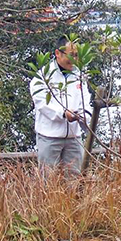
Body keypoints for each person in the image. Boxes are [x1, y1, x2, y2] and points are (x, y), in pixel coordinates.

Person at [29, 36, 92, 175]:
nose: (75, 59)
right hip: (50, 136)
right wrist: (63, 113)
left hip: (73, 136)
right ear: (58, 53)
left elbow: (85, 100)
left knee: (75, 179)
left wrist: (84, 116)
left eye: (77, 55)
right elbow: (42, 103)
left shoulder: (79, 75)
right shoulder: (43, 77)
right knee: (49, 180)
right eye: (71, 55)